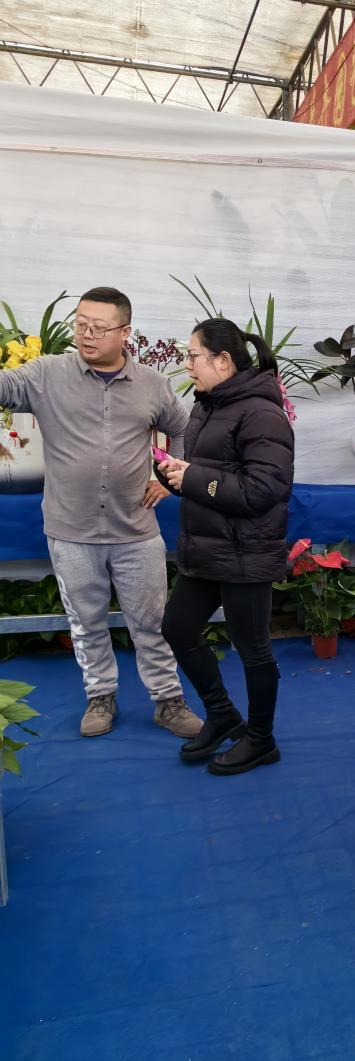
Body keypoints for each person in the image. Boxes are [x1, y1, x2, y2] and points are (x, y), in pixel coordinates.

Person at [0, 286, 201, 738]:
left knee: (152, 623)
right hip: (70, 531)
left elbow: (184, 429)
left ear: (125, 332)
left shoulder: (152, 384)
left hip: (136, 531)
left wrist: (169, 478)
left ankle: (167, 700)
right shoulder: (46, 374)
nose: (87, 335)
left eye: (98, 328)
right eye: (80, 325)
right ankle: (100, 696)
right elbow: (5, 387)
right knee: (86, 624)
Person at [158, 318, 294, 776]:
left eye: (193, 355)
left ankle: (262, 738)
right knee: (178, 629)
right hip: (206, 548)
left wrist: (195, 478)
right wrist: (175, 475)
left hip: (245, 552)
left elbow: (263, 490)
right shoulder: (205, 407)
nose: (187, 364)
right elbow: (209, 474)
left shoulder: (262, 414)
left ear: (223, 360)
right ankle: (221, 714)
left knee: (252, 649)